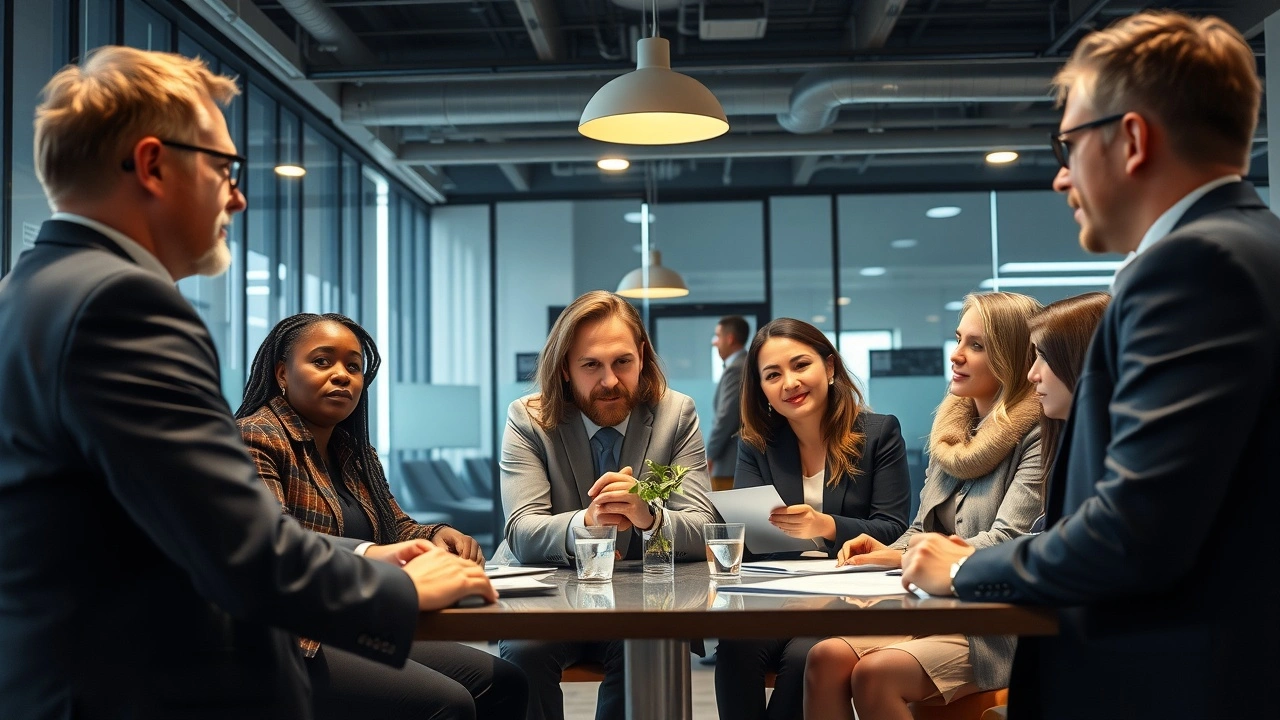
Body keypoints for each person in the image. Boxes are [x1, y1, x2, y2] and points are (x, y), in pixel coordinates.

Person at [0, 46, 494, 720]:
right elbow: (243, 549)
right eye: (224, 167)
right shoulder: (122, 306)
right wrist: (405, 590)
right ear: (152, 164)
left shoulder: (25, 295)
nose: (238, 194)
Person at [900, 11, 1280, 720]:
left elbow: (1134, 532)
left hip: (1171, 683)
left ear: (1132, 139)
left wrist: (965, 567)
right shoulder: (1249, 248)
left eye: (1067, 143)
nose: (1059, 176)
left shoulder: (1194, 268)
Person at [236, 312, 527, 720]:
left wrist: (438, 533)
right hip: (291, 633)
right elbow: (275, 539)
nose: (341, 375)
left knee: (504, 681)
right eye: (322, 361)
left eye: (353, 367)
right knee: (450, 703)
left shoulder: (353, 454)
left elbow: (396, 528)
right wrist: (370, 552)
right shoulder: (256, 438)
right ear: (283, 373)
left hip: (349, 619)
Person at [804, 292, 1044, 720]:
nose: (957, 355)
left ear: (1010, 354)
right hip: (932, 607)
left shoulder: (1038, 434)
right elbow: (921, 530)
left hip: (991, 623)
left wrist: (911, 554)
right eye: (958, 340)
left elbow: (1007, 540)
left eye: (977, 345)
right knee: (824, 658)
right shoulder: (951, 434)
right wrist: (886, 553)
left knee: (875, 673)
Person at [498, 289, 718, 720]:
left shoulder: (676, 414)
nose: (610, 381)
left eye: (623, 362)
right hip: (546, 597)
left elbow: (705, 527)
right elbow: (522, 530)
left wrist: (649, 515)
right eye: (591, 366)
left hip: (640, 598)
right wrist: (587, 521)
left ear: (642, 356)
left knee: (651, 646)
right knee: (525, 653)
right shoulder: (528, 418)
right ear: (564, 368)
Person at [714, 318, 911, 720]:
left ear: (830, 368)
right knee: (736, 644)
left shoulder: (879, 433)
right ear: (762, 389)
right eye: (773, 374)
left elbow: (893, 529)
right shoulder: (757, 446)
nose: (789, 382)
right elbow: (748, 534)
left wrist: (826, 526)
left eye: (800, 365)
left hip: (851, 594)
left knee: (808, 655)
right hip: (776, 593)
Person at [707, 315, 750, 491]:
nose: (714, 342)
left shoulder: (737, 369)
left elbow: (726, 418)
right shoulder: (743, 365)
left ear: (729, 338)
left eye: (717, 336)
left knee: (727, 517)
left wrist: (710, 456)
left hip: (730, 463)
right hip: (733, 463)